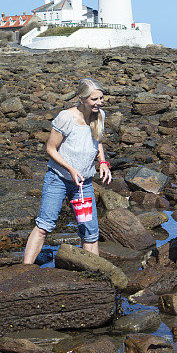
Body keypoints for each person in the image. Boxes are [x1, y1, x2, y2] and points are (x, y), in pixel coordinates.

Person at [23, 78, 112, 264]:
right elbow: (50, 148)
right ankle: (25, 270)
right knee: (44, 226)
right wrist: (71, 168)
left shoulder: (100, 115)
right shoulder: (66, 117)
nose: (99, 103)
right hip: (58, 179)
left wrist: (103, 162)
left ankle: (93, 273)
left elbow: (98, 141)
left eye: (101, 98)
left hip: (83, 185)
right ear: (81, 99)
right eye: (94, 99)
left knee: (90, 231)